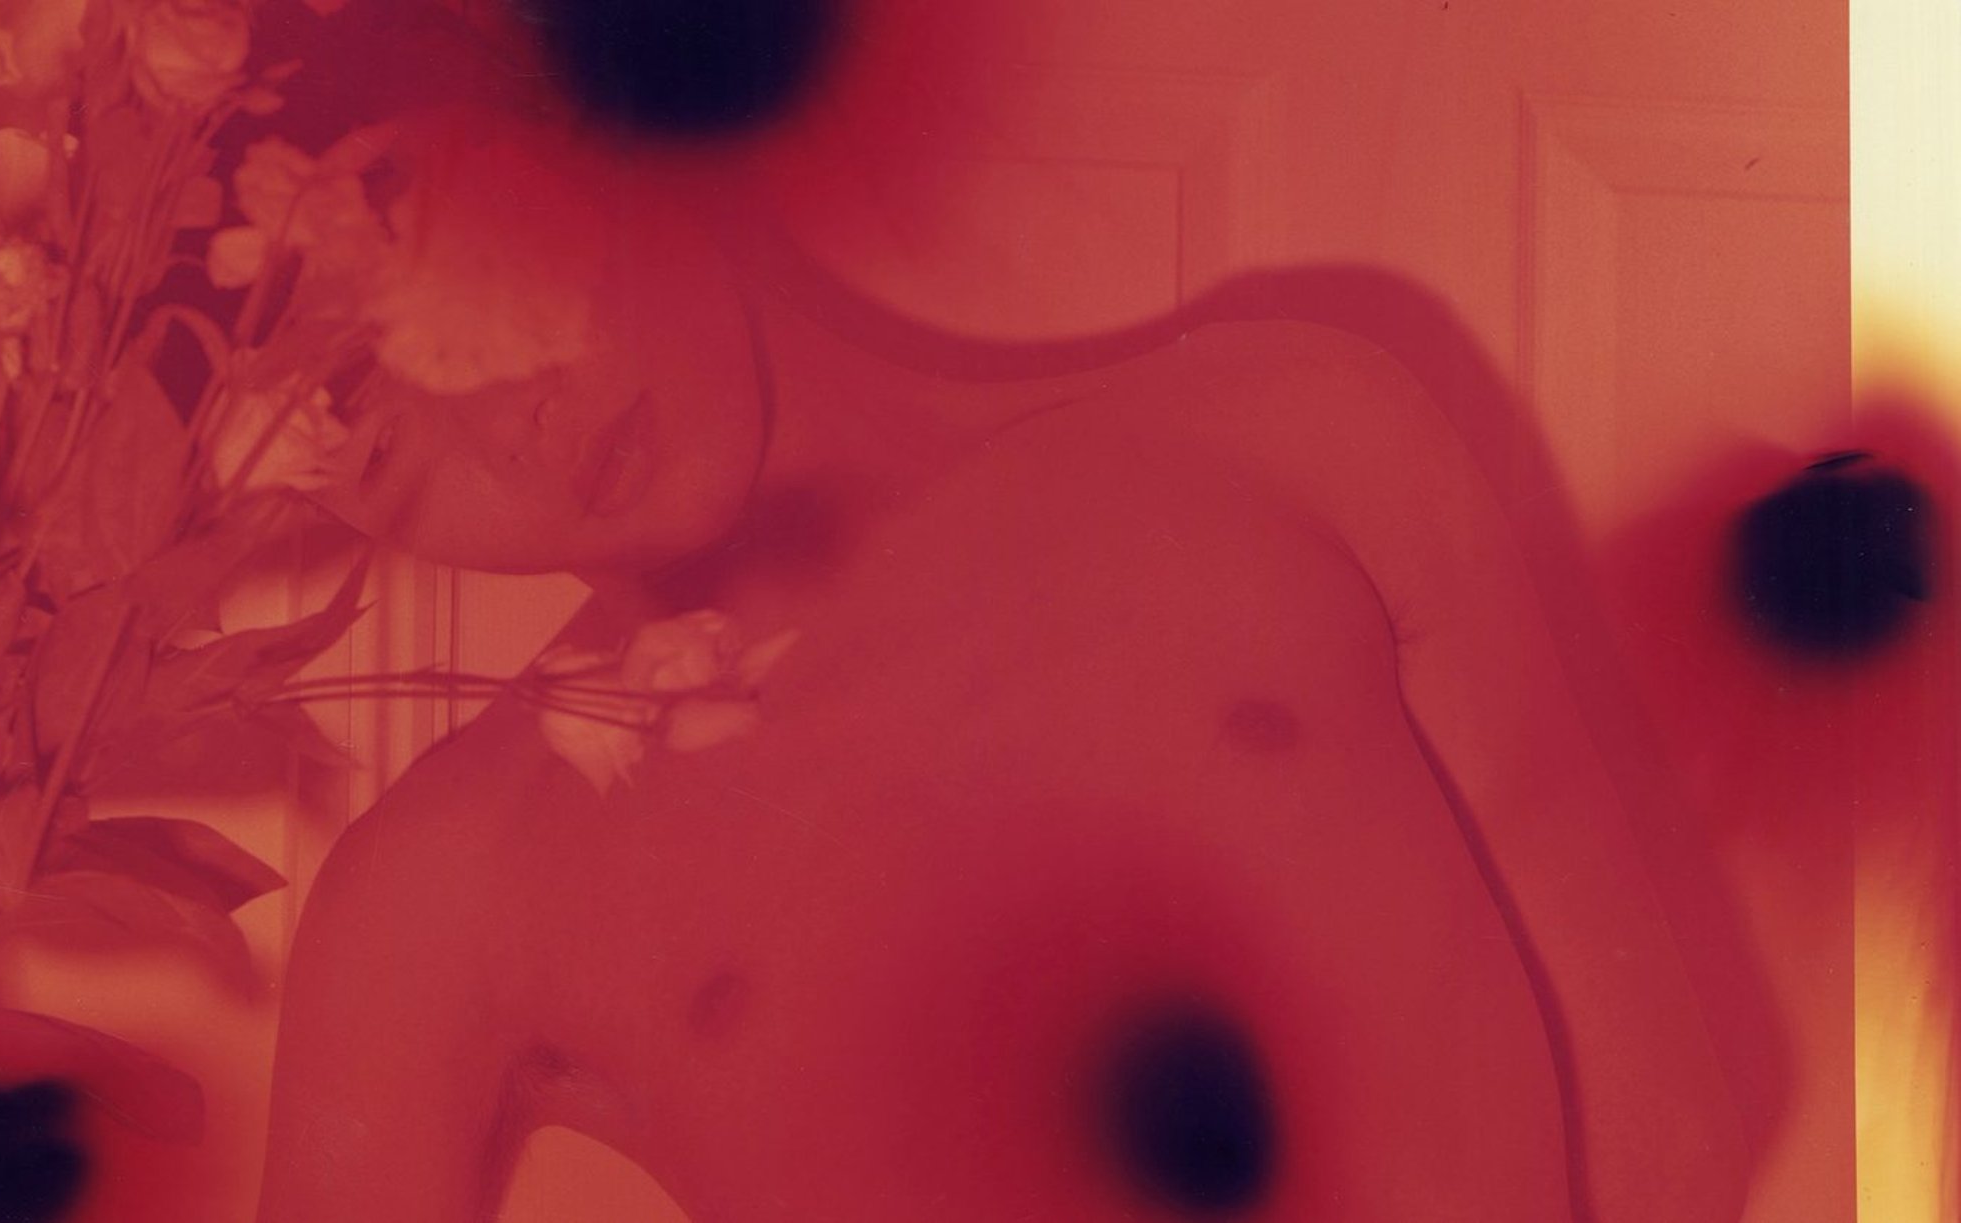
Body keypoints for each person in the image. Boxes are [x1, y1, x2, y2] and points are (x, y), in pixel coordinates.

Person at [253, 20, 1766, 1223]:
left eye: (478, 274)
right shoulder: (452, 881)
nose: (509, 424)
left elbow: (1665, 1126)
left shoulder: (1296, 425)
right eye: (374, 436)